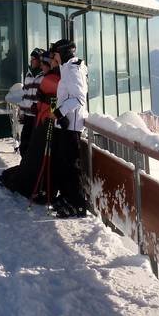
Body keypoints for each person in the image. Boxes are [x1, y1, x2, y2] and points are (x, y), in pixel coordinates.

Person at [0, 50, 60, 202]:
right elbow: (29, 95)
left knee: (37, 150)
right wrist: (26, 109)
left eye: (36, 60)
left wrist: (48, 111)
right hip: (35, 116)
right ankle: (27, 173)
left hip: (43, 120)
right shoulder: (33, 75)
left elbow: (53, 100)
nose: (33, 62)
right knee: (27, 146)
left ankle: (37, 181)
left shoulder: (49, 78)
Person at [49, 38, 89, 218]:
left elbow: (79, 98)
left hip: (71, 127)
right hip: (64, 125)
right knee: (62, 164)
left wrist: (59, 112)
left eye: (56, 54)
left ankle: (77, 204)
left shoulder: (73, 69)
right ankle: (67, 198)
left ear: (64, 53)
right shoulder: (67, 68)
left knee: (71, 167)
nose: (54, 57)